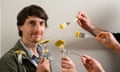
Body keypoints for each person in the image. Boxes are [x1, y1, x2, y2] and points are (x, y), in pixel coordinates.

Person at [0, 5, 50, 72]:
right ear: (20, 27)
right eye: (32, 23)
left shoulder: (45, 56)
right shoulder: (8, 61)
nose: (38, 29)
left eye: (41, 23)